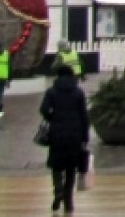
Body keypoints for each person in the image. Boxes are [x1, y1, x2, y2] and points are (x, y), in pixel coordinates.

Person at [40, 64, 89, 214]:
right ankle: (68, 202)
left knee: (56, 165)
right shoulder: (78, 92)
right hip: (75, 133)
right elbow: (84, 115)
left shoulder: (52, 91)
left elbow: (43, 109)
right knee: (70, 167)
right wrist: (85, 136)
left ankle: (58, 192)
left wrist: (52, 118)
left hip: (57, 132)